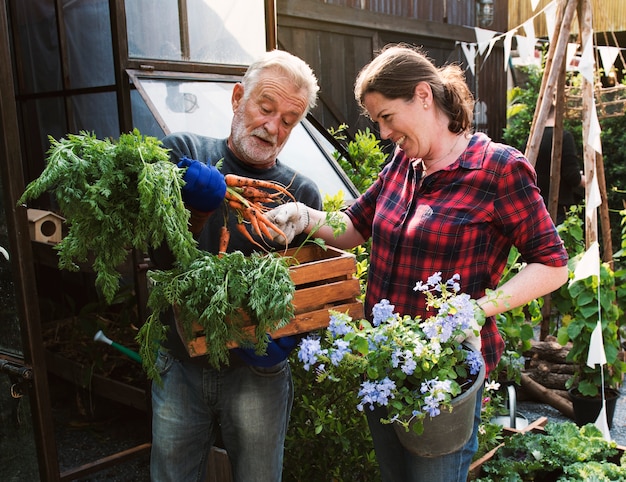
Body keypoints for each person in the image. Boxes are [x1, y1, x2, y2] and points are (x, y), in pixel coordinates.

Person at [266, 44, 569, 482]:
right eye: (377, 122)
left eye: (387, 117)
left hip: (444, 376)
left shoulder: (497, 169)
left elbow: (553, 264)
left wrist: (476, 308)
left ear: (423, 96)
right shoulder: (403, 165)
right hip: (385, 366)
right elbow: (355, 225)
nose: (384, 133)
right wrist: (305, 216)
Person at [149, 49, 322, 482]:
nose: (272, 126)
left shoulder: (300, 194)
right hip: (180, 362)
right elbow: (160, 257)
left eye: (288, 120)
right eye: (265, 108)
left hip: (257, 374)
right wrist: (197, 213)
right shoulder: (184, 152)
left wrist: (289, 335)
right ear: (238, 97)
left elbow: (306, 289)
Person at [534, 102, 585, 225]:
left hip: (535, 209)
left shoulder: (532, 139)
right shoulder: (564, 137)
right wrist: (586, 180)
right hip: (559, 210)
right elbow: (572, 175)